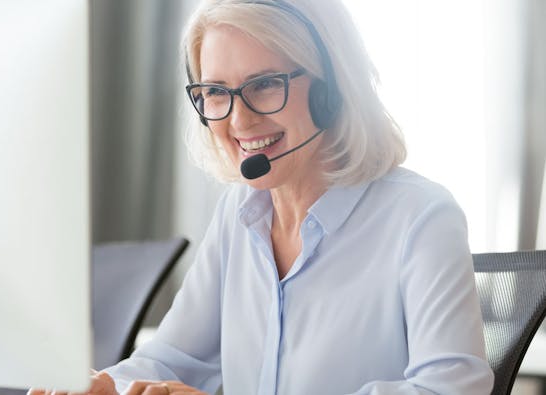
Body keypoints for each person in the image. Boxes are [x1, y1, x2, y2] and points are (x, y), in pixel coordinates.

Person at [30, 0, 494, 394]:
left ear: (331, 91)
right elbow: (174, 358)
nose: (239, 122)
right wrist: (105, 385)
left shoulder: (420, 217)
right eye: (215, 92)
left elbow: (450, 388)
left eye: (265, 84)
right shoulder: (240, 214)